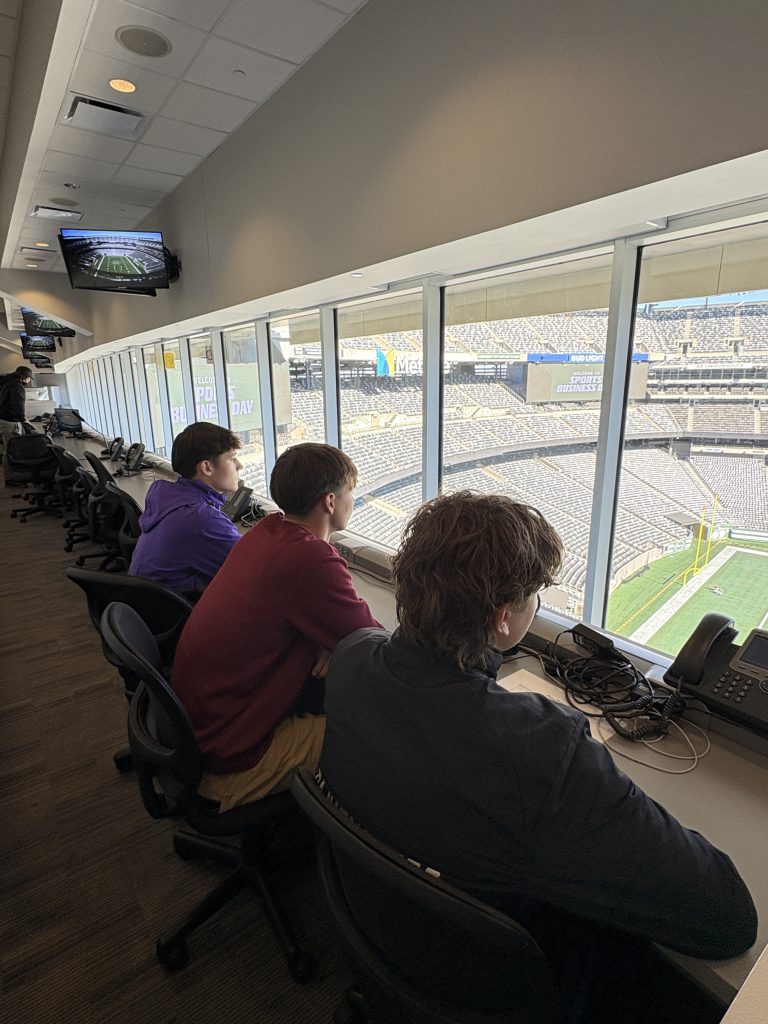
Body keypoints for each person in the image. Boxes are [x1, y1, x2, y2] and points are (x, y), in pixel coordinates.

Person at [319, 491, 757, 1020]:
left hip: (386, 929)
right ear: (504, 616)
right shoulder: (544, 750)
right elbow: (728, 918)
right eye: (534, 597)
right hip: (488, 981)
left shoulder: (353, 656)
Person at [171, 442, 381, 812]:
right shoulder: (309, 558)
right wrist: (337, 640)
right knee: (370, 733)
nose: (353, 501)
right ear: (330, 502)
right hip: (231, 759)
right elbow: (376, 645)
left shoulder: (266, 531)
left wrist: (329, 639)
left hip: (203, 727)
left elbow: (305, 613)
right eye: (351, 492)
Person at [130, 422, 243, 597]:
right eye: (232, 458)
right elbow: (251, 570)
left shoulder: (171, 498)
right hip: (174, 614)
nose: (239, 465)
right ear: (207, 467)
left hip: (145, 606)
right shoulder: (200, 519)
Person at [0, 365, 33, 463]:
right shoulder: (17, 386)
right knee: (12, 448)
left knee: (9, 447)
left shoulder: (8, 383)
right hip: (10, 420)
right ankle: (11, 473)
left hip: (3, 418)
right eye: (29, 378)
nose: (29, 381)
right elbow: (18, 405)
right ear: (25, 378)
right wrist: (24, 419)